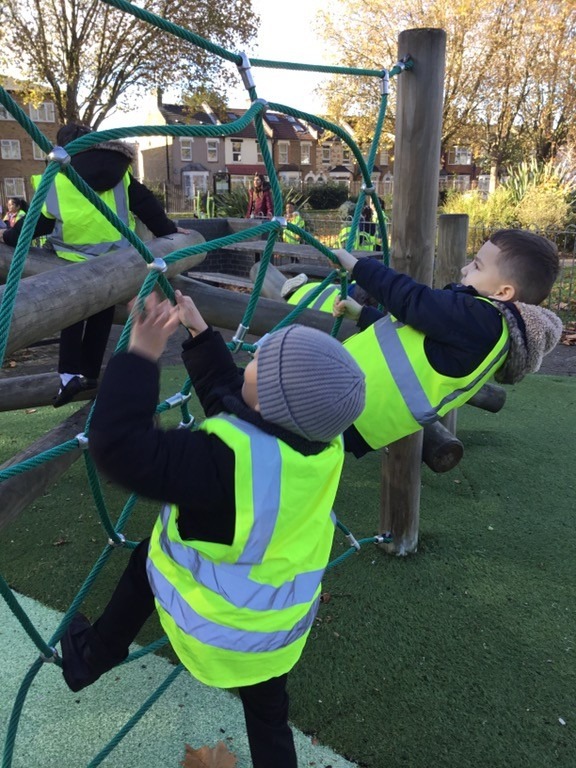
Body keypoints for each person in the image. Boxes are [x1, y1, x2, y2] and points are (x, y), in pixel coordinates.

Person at [59, 290, 365, 768]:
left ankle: (92, 656)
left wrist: (140, 356)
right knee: (269, 717)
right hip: (275, 637)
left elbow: (119, 447)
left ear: (269, 400)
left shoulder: (221, 462)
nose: (251, 358)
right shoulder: (322, 445)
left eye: (260, 359)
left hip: (214, 631)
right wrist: (201, 335)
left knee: (148, 559)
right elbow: (239, 399)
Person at [2, 122, 190, 407]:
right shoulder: (119, 172)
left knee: (71, 315)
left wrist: (8, 237)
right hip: (115, 260)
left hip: (73, 259)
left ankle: (68, 375)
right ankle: (89, 373)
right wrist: (169, 230)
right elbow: (146, 204)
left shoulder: (58, 178)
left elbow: (37, 223)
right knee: (102, 310)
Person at [330, 229, 564, 458]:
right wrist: (363, 314)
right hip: (357, 405)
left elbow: (412, 299)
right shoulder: (487, 328)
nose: (465, 269)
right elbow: (416, 342)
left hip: (354, 405)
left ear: (503, 292)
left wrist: (358, 267)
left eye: (477, 266)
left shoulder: (481, 320)